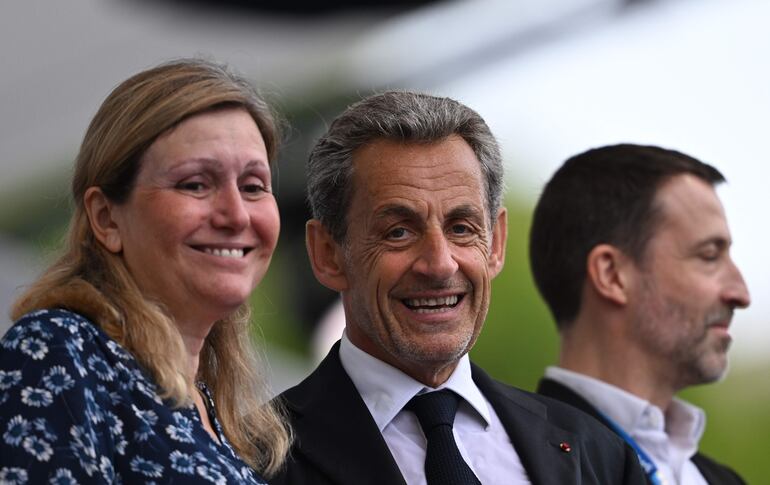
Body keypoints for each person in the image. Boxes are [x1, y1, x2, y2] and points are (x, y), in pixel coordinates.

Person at [271, 91, 646, 484]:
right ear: (328, 254)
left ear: (496, 243)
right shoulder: (255, 459)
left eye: (462, 229)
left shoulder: (600, 457)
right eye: (398, 231)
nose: (440, 264)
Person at [0, 59, 291, 483]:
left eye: (252, 187)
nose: (236, 215)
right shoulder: (59, 351)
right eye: (195, 184)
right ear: (106, 218)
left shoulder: (212, 407)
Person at [530, 144, 751, 485]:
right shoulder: (511, 462)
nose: (741, 294)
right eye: (709, 256)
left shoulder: (721, 478)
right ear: (612, 275)